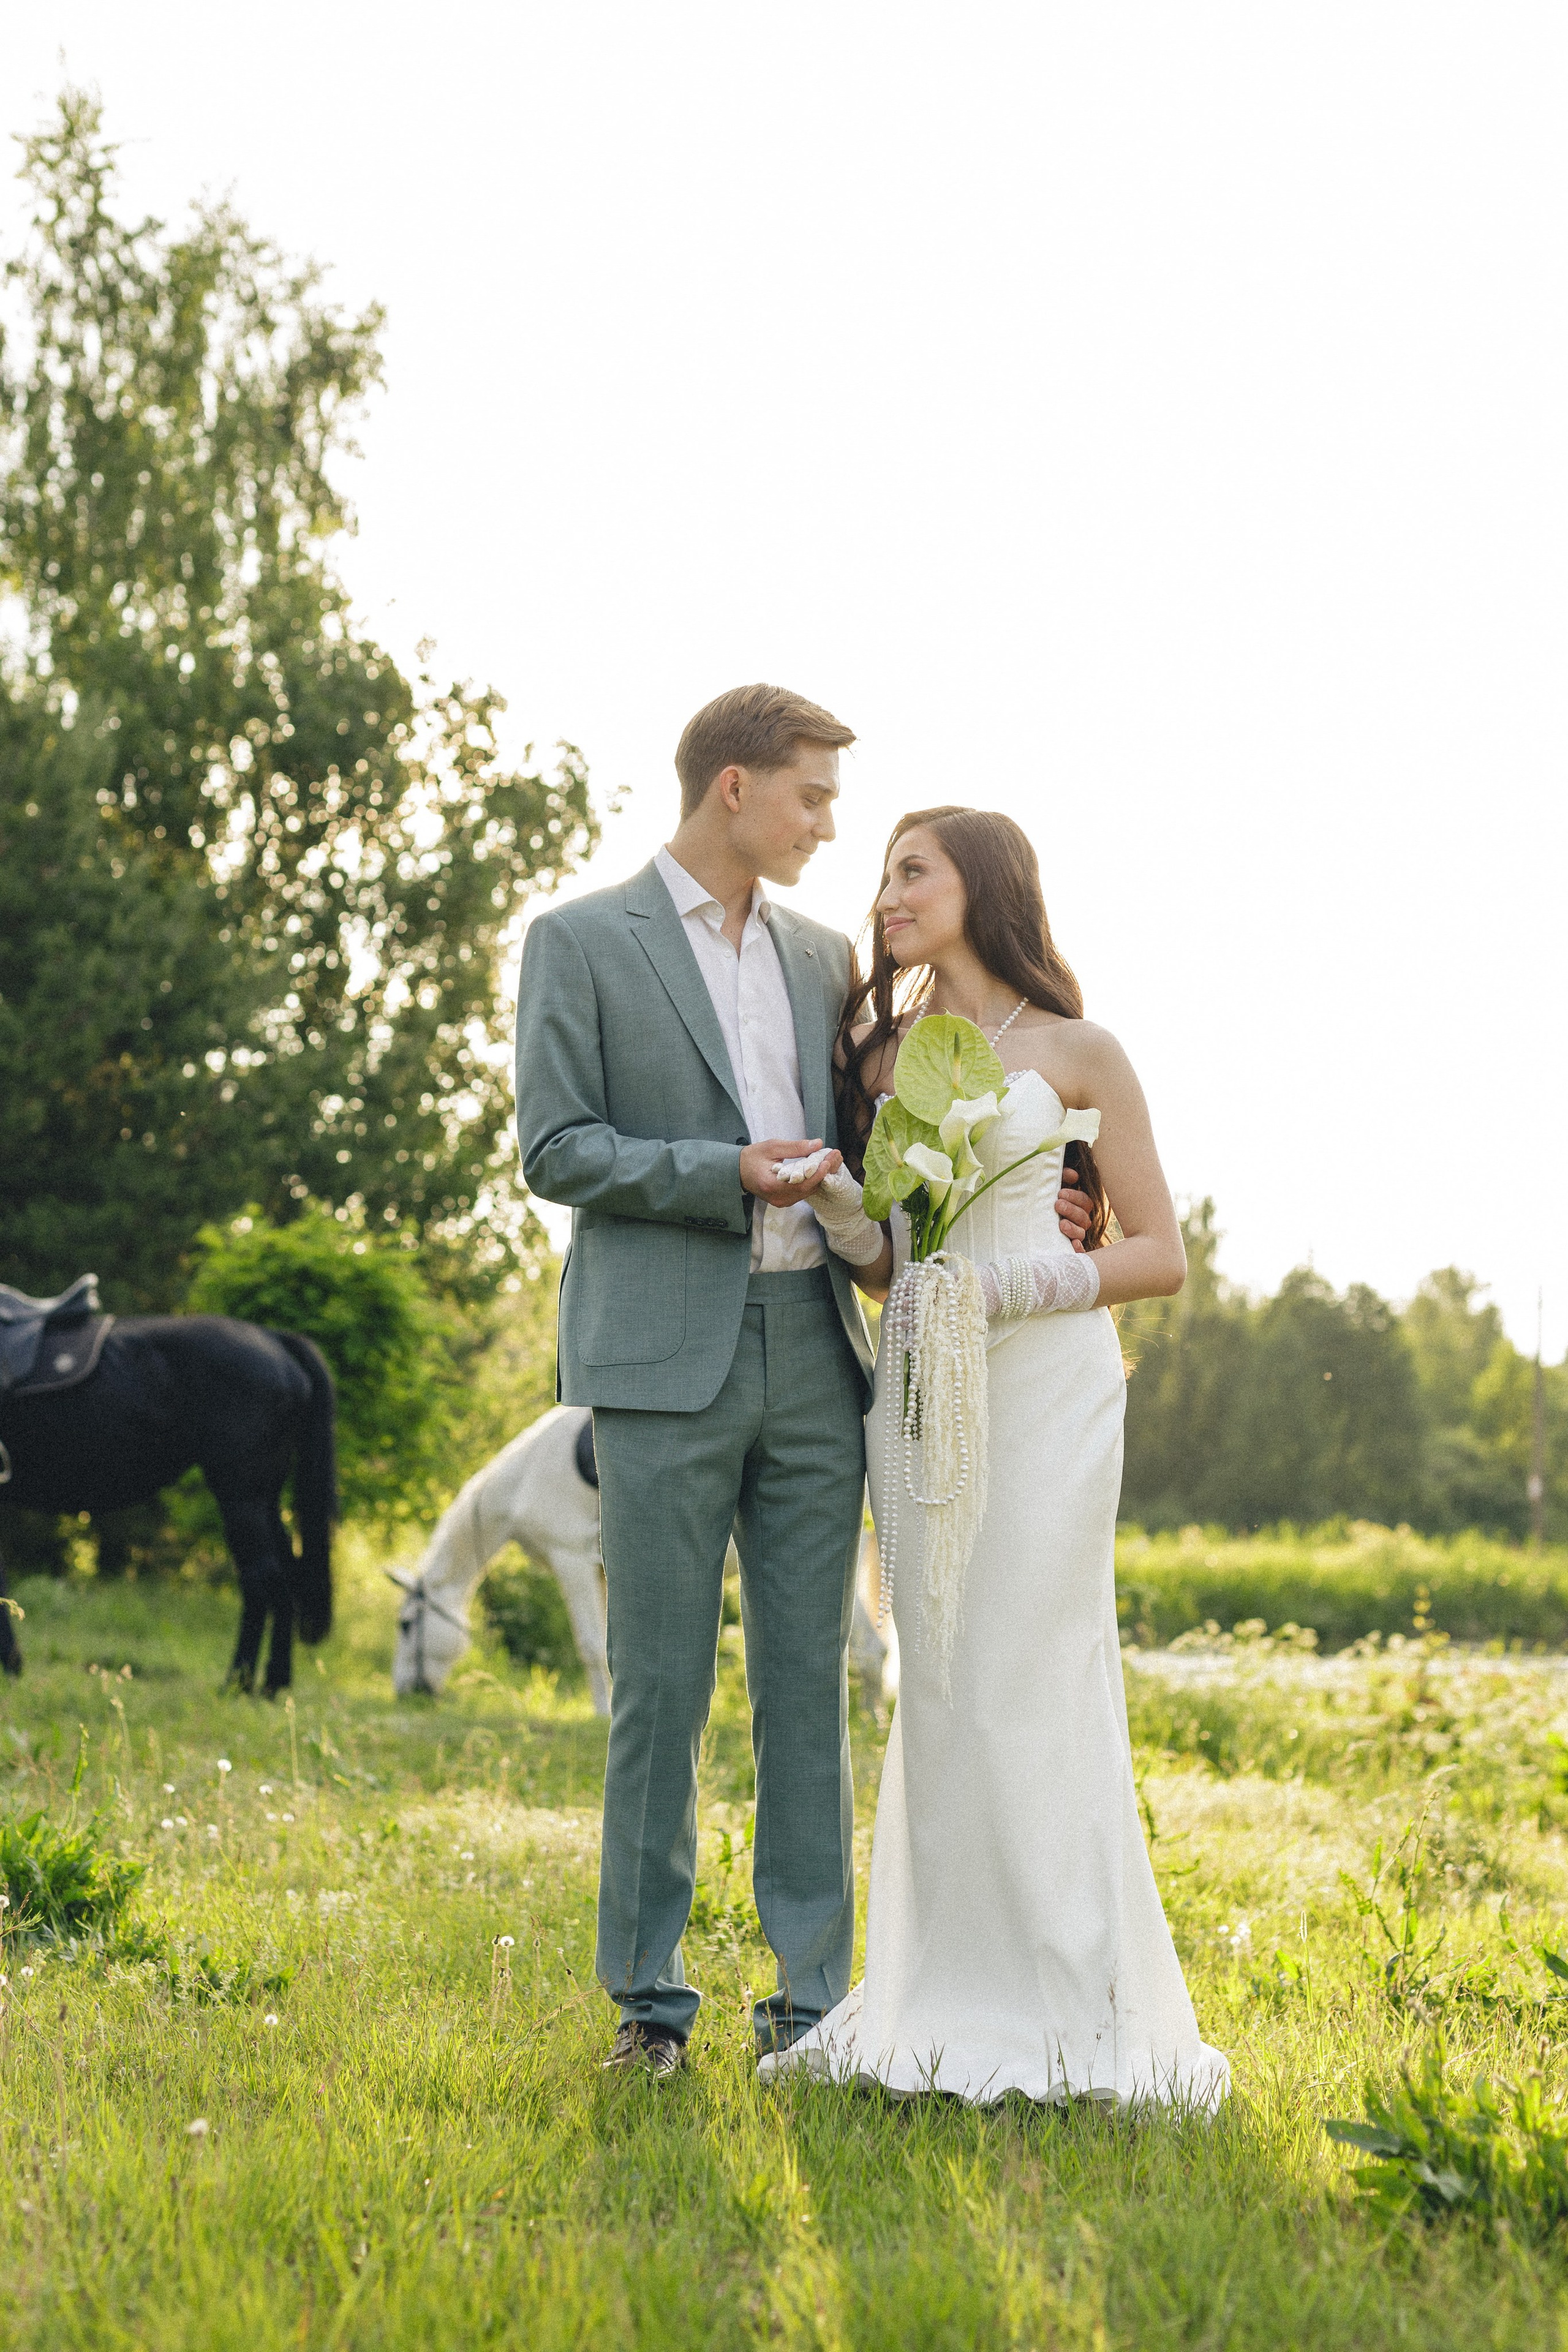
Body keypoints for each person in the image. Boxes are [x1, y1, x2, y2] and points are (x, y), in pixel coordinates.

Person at [514, 695, 1093, 2077]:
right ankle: (649, 2005)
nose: (830, 824)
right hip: (659, 1366)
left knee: (811, 1684)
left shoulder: (826, 957)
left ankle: (812, 2001)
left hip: (817, 1353)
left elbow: (906, 1137)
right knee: (657, 1687)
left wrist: (1042, 1194)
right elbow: (555, 1149)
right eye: (813, 797)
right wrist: (719, 1173)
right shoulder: (579, 942)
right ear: (734, 788)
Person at [766, 805, 1230, 2108]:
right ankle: (941, 1992)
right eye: (883, 874)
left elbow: (1157, 1253)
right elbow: (888, 1270)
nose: (888, 893)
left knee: (1031, 1665)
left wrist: (1022, 1282)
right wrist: (849, 1211)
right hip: (921, 1380)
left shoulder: (1081, 1050)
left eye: (911, 869)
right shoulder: (879, 1053)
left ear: (983, 882)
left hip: (1047, 1388)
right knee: (945, 1673)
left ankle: (1068, 2003)